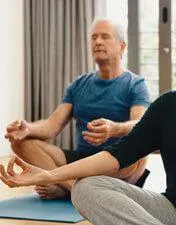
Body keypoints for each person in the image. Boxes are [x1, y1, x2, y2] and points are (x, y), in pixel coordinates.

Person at [0, 11, 176, 225]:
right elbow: (117, 155)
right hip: (172, 212)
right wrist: (49, 174)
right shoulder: (167, 105)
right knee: (87, 186)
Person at [4, 18, 151, 199]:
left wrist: (115, 129)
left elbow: (140, 124)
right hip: (81, 161)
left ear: (122, 47)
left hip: (114, 161)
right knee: (21, 142)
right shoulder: (80, 84)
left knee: (141, 155)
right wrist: (28, 128)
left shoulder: (135, 84)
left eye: (105, 37)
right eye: (94, 37)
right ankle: (74, 188)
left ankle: (64, 188)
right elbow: (51, 126)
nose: (97, 42)